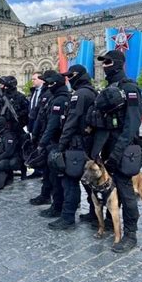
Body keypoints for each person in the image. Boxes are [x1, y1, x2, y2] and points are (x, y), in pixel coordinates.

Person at [90, 50, 142, 253]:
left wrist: (116, 154)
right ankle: (108, 221)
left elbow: (131, 125)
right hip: (107, 148)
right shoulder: (110, 88)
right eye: (102, 61)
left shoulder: (130, 88)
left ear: (119, 64)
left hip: (123, 150)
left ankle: (131, 234)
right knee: (105, 188)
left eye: (108, 61)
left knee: (126, 191)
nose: (104, 64)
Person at [50, 64, 97, 230]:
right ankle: (94, 214)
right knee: (89, 182)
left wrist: (61, 146)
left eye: (71, 76)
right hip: (89, 144)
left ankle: (68, 217)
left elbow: (72, 121)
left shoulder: (80, 94)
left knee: (70, 181)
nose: (68, 79)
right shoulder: (91, 92)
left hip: (76, 145)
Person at [30, 70, 70, 219]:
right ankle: (52, 201)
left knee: (56, 176)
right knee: (49, 173)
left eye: (48, 82)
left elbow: (52, 124)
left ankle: (58, 206)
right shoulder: (53, 96)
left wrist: (42, 142)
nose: (46, 85)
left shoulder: (59, 99)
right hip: (51, 140)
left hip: (55, 141)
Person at [26, 72, 46, 179]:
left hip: (42, 123)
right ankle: (37, 169)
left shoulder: (45, 91)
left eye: (34, 79)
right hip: (33, 122)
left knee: (41, 146)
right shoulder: (33, 91)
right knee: (35, 145)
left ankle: (43, 170)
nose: (32, 81)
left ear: (41, 80)